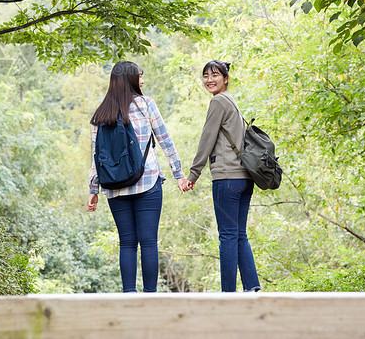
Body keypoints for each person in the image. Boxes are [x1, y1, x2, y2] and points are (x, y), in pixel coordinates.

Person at [87, 60, 190, 293]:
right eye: (140, 76)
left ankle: (128, 296)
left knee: (127, 243)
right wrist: (179, 174)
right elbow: (165, 140)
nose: (142, 81)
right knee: (149, 242)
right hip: (147, 181)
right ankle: (150, 297)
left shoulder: (100, 114)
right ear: (131, 80)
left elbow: (95, 155)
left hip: (114, 186)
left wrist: (93, 190)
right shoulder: (145, 105)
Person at [185, 60, 261, 292]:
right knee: (239, 235)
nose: (209, 79)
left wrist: (193, 173)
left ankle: (228, 293)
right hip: (245, 178)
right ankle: (252, 287)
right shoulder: (232, 102)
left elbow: (207, 138)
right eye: (206, 75)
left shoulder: (218, 101)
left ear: (226, 78)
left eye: (215, 75)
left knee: (227, 236)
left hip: (227, 177)